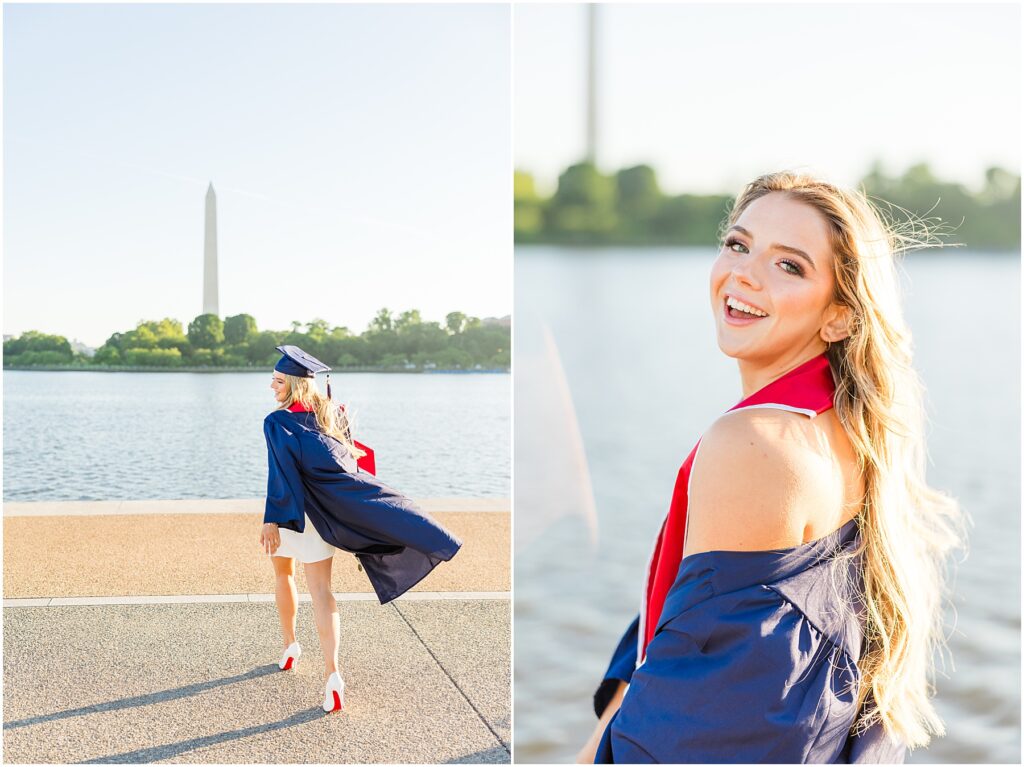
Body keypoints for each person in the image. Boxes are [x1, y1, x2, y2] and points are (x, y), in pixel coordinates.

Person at [577, 172, 964, 763]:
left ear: (838, 317)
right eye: (738, 244)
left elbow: (696, 723)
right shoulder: (848, 425)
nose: (744, 274)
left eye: (790, 266)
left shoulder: (754, 444)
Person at [259, 344, 462, 713]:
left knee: (283, 575)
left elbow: (281, 476)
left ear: (291, 383)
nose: (271, 387)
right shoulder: (333, 414)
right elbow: (357, 465)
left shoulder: (277, 422)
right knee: (322, 592)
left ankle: (290, 646)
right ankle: (332, 676)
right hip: (326, 519)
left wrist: (270, 520)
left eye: (276, 381)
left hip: (293, 515)